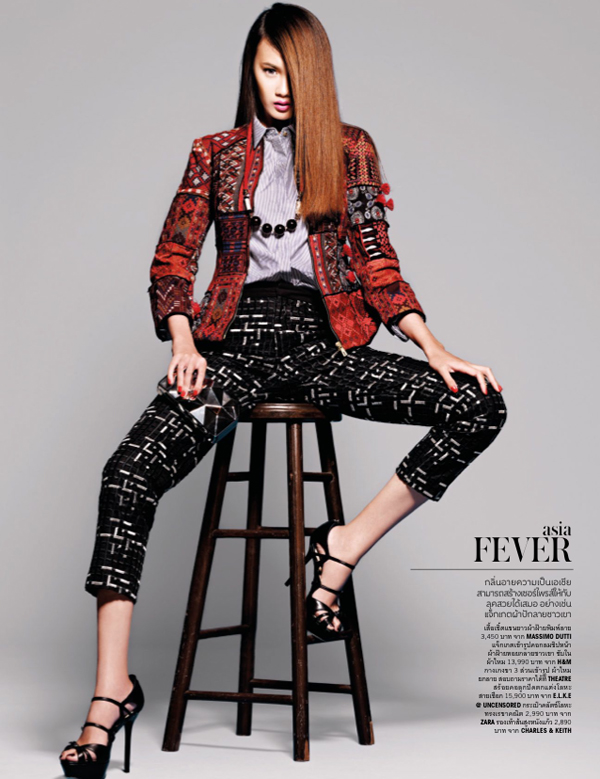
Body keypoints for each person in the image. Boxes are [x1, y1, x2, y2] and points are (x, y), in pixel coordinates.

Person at [59, 3, 507, 775]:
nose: (280, 86)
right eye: (268, 69)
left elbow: (376, 261)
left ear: (316, 78)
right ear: (251, 70)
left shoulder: (350, 150)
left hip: (327, 348)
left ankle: (341, 549)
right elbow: (173, 260)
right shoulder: (214, 153)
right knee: (126, 474)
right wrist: (185, 343)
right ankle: (111, 692)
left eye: (293, 73)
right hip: (229, 351)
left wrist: (433, 346)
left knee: (479, 403)